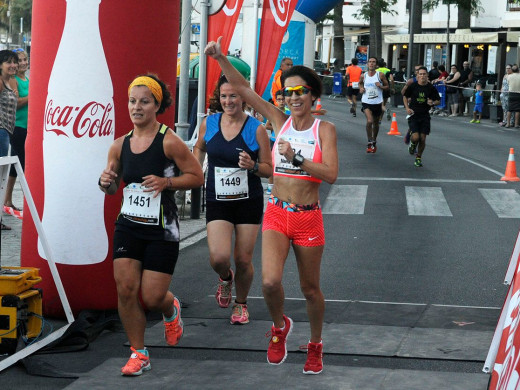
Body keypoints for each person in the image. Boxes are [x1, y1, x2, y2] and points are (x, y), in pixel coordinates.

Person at [205, 36, 338, 375]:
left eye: (300, 92)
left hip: (308, 218)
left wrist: (298, 158)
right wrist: (220, 58)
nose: (293, 98)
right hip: (278, 212)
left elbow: (332, 174)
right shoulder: (280, 121)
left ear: (312, 96)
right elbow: (243, 89)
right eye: (288, 93)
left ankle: (315, 344)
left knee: (310, 289)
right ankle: (279, 328)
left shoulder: (325, 130)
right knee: (268, 283)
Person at [98, 74, 204, 376]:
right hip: (128, 225)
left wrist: (167, 181)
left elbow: (197, 177)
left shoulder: (169, 141)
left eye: (144, 101)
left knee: (153, 297)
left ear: (157, 105)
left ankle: (171, 309)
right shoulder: (119, 145)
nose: (137, 107)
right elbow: (112, 185)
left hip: (163, 229)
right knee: (126, 289)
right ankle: (139, 352)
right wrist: (105, 182)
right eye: (133, 101)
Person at [193, 75, 272, 325]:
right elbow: (199, 147)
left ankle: (241, 304)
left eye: (234, 96)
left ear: (244, 98)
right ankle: (226, 278)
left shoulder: (256, 128)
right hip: (217, 198)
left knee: (243, 259)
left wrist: (253, 165)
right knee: (218, 258)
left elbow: (269, 169)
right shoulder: (210, 123)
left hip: (248, 200)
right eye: (224, 96)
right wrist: (195, 169)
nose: (228, 101)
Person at [4, 48, 29, 215]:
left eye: (25, 59)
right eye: (19, 60)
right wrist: (33, 95)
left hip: (27, 126)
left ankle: (8, 200)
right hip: (17, 126)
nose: (22, 63)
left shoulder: (26, 79)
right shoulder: (14, 80)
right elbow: (17, 103)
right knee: (20, 164)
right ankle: (9, 200)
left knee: (18, 164)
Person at [403, 66, 441, 167]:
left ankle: (418, 158)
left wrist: (432, 103)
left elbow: (438, 100)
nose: (422, 76)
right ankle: (412, 144)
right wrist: (407, 108)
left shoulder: (430, 88)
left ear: (427, 75)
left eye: (424, 74)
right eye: (420, 74)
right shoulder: (413, 86)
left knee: (423, 138)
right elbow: (405, 96)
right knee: (415, 137)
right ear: (417, 75)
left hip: (425, 115)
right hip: (414, 114)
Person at [0, 50, 19, 230]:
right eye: (8, 62)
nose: (13, 65)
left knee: (1, 176)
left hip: (7, 131)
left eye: (14, 62)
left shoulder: (10, 81)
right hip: (1, 132)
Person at [359, 56, 389, 153]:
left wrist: (381, 86)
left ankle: (374, 141)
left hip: (377, 102)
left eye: (373, 62)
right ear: (367, 64)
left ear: (376, 65)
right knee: (369, 120)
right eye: (370, 62)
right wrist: (361, 88)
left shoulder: (380, 75)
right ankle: (369, 141)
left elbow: (387, 86)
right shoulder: (364, 76)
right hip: (366, 102)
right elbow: (360, 83)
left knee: (376, 123)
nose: (371, 63)